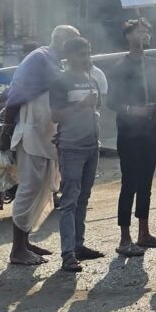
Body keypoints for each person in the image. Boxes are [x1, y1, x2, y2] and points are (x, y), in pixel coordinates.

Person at [3, 25, 80, 265]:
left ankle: (25, 242)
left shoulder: (56, 61)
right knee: (29, 187)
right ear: (61, 41)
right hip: (32, 133)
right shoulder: (40, 58)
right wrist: (6, 128)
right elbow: (16, 92)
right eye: (72, 42)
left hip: (46, 135)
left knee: (43, 187)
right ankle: (17, 249)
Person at [107, 18, 156, 257]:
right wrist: (133, 110)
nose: (144, 36)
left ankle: (144, 232)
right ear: (127, 36)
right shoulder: (119, 67)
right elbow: (111, 102)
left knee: (146, 182)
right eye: (139, 32)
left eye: (147, 32)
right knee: (129, 183)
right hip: (129, 132)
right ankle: (125, 238)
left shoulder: (154, 65)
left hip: (152, 131)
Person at [49, 37, 105, 272]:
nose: (86, 58)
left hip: (92, 145)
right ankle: (68, 253)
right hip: (72, 147)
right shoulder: (60, 81)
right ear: (69, 56)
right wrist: (81, 105)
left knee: (84, 198)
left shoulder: (91, 78)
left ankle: (78, 245)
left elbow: (97, 107)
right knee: (69, 200)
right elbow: (55, 115)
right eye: (82, 54)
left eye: (88, 53)